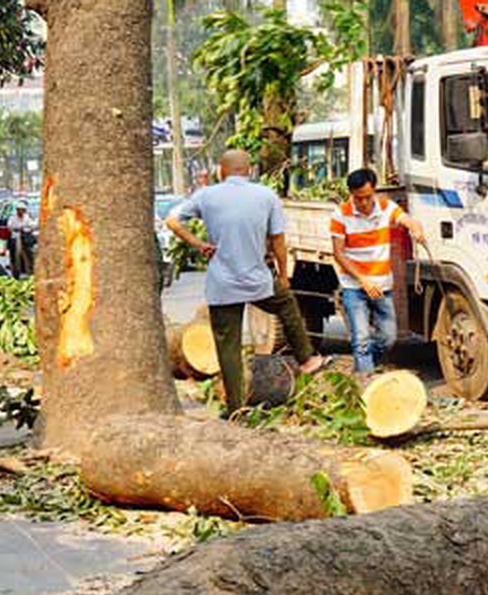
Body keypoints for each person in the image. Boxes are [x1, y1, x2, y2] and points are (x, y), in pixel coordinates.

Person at [167, 149, 328, 416]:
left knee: (228, 349)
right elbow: (278, 240)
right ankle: (306, 358)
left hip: (222, 285)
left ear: (221, 170)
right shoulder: (266, 196)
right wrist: (283, 275)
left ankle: (236, 408)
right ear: (249, 170)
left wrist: (198, 243)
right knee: (286, 304)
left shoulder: (206, 195)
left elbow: (172, 221)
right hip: (258, 282)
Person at [330, 168, 426, 375]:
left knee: (389, 338)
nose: (364, 203)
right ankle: (366, 378)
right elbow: (338, 254)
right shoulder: (340, 215)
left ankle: (362, 367)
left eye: (367, 197)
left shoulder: (386, 207)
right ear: (351, 194)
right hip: (354, 286)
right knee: (361, 338)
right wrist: (363, 280)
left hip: (382, 285)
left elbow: (407, 220)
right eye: (358, 198)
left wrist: (416, 229)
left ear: (374, 190)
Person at [6, 202, 35, 278]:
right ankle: (16, 272)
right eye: (19, 210)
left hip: (25, 239)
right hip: (15, 238)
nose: (20, 212)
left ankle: (29, 271)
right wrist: (19, 228)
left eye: (22, 210)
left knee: (29, 255)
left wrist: (25, 228)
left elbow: (32, 226)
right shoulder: (12, 218)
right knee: (15, 256)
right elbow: (9, 226)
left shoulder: (27, 217)